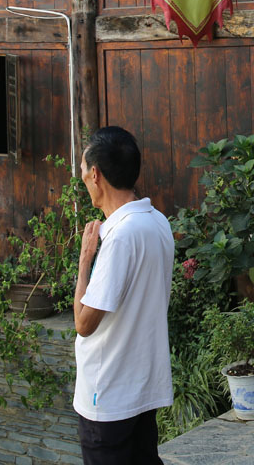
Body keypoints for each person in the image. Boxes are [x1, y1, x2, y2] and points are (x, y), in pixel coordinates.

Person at [73, 127, 174, 464]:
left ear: (96, 174)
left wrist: (85, 260)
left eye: (84, 171)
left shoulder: (120, 237)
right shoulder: (157, 221)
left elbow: (84, 323)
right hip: (141, 389)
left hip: (109, 395)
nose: (84, 179)